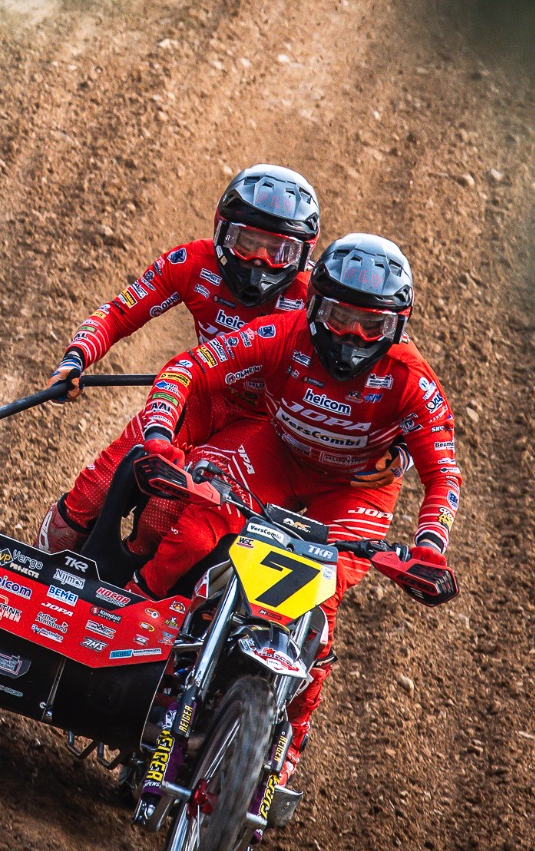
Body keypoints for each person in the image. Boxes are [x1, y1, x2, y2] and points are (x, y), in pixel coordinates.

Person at [124, 233, 462, 786]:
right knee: (194, 531)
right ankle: (122, 624)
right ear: (313, 305)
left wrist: (429, 548)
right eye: (338, 317)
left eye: (371, 326)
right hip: (276, 455)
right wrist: (160, 434)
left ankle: (289, 746)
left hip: (353, 492)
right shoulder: (283, 333)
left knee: (318, 612)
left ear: (397, 327)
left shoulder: (413, 381)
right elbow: (190, 366)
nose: (351, 336)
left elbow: (443, 475)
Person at [36, 164, 405, 553]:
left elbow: (387, 370)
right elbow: (118, 312)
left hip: (262, 424)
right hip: (198, 393)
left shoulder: (321, 302)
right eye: (246, 243)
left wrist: (399, 451)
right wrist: (75, 358)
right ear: (222, 232)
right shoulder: (191, 262)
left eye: (278, 251)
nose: (259, 262)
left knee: (163, 514)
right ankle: (43, 559)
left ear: (303, 255)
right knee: (94, 490)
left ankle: (134, 575)